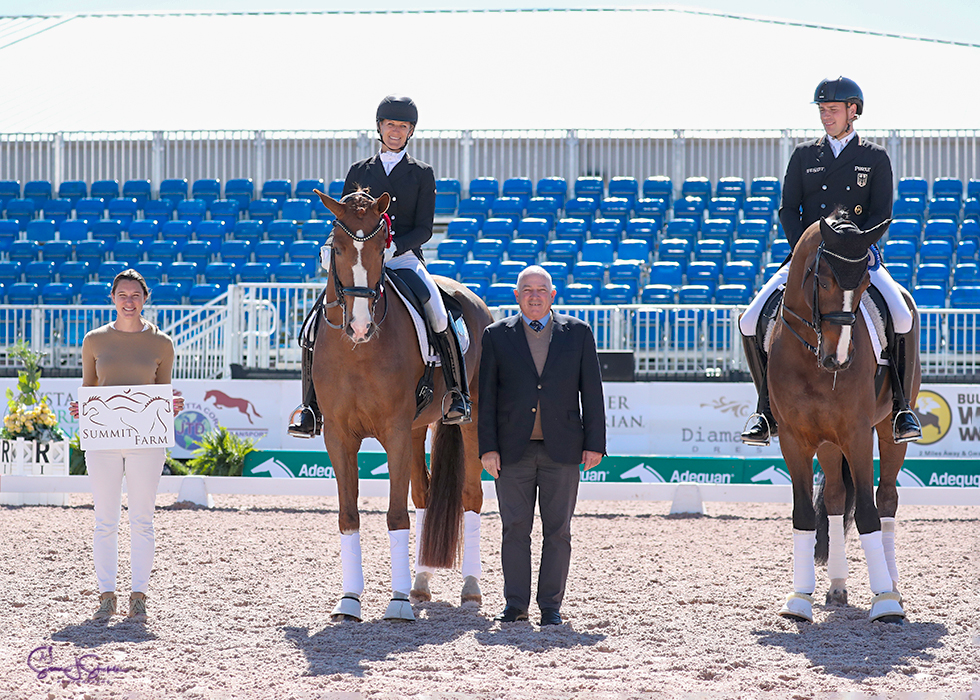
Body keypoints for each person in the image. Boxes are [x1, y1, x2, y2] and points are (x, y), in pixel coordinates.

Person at [738, 76, 921, 447]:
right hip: (807, 259)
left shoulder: (874, 158)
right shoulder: (805, 155)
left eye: (833, 110)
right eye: (822, 110)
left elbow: (881, 212)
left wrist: (853, 248)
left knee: (901, 316)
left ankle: (902, 407)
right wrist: (805, 249)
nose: (826, 116)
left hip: (856, 257)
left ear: (853, 112)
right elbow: (789, 209)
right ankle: (766, 409)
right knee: (749, 320)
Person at [288, 94, 470, 438]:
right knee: (314, 324)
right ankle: (311, 409)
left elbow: (425, 228)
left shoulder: (421, 173)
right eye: (391, 125)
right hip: (360, 261)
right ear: (380, 128)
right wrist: (335, 247)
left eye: (403, 126)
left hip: (401, 259)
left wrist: (393, 248)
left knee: (439, 313)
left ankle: (456, 395)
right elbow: (342, 219)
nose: (396, 131)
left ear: (410, 131)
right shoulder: (360, 171)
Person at [478, 265, 606, 626]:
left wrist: (594, 443)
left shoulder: (578, 333)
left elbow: (592, 392)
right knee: (514, 528)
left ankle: (550, 607)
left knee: (559, 531)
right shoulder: (495, 335)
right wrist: (488, 448)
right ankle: (515, 605)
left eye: (541, 289)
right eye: (527, 290)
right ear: (517, 296)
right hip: (510, 452)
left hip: (563, 451)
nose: (534, 295)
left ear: (553, 296)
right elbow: (486, 398)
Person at [68, 269, 184, 622]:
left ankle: (138, 594)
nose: (129, 300)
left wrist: (171, 407)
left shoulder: (163, 343)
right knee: (104, 519)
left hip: (145, 443)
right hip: (103, 441)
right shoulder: (94, 340)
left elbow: (163, 390)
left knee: (142, 519)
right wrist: (81, 409)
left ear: (145, 298)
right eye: (123, 294)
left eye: (135, 294)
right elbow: (89, 386)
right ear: (113, 298)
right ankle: (106, 594)